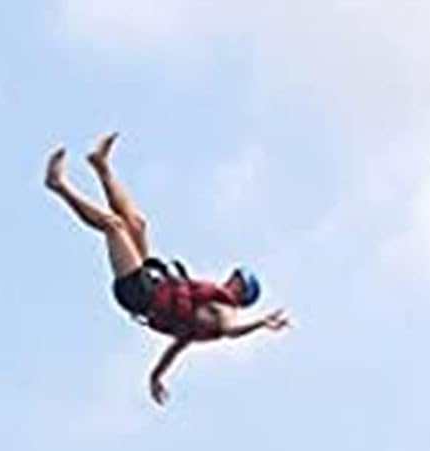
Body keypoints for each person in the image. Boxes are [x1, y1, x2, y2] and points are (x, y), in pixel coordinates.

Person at [45, 133, 289, 405]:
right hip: (153, 282)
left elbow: (231, 331)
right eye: (234, 276)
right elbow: (175, 349)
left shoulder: (225, 313)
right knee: (137, 225)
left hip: (141, 295)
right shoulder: (205, 315)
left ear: (242, 293)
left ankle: (58, 185)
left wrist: (261, 323)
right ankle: (100, 165)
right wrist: (156, 375)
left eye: (238, 281)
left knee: (113, 226)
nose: (231, 280)